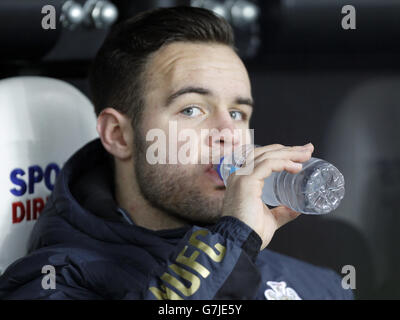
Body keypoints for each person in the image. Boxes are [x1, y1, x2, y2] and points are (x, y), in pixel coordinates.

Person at [0, 6, 352, 300]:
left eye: (237, 113)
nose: (230, 135)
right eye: (192, 110)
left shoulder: (321, 287)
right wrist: (233, 243)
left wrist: (235, 247)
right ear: (119, 136)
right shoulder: (50, 285)